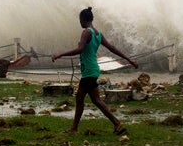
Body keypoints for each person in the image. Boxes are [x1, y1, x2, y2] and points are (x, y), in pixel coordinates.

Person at [52, 7, 138, 135]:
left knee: (92, 99)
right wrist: (129, 60)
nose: (79, 22)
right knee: (83, 98)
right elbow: (112, 48)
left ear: (83, 19)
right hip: (92, 69)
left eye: (79, 20)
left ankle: (115, 123)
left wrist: (60, 54)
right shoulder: (98, 34)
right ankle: (77, 128)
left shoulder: (86, 32)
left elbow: (80, 49)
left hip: (89, 71)